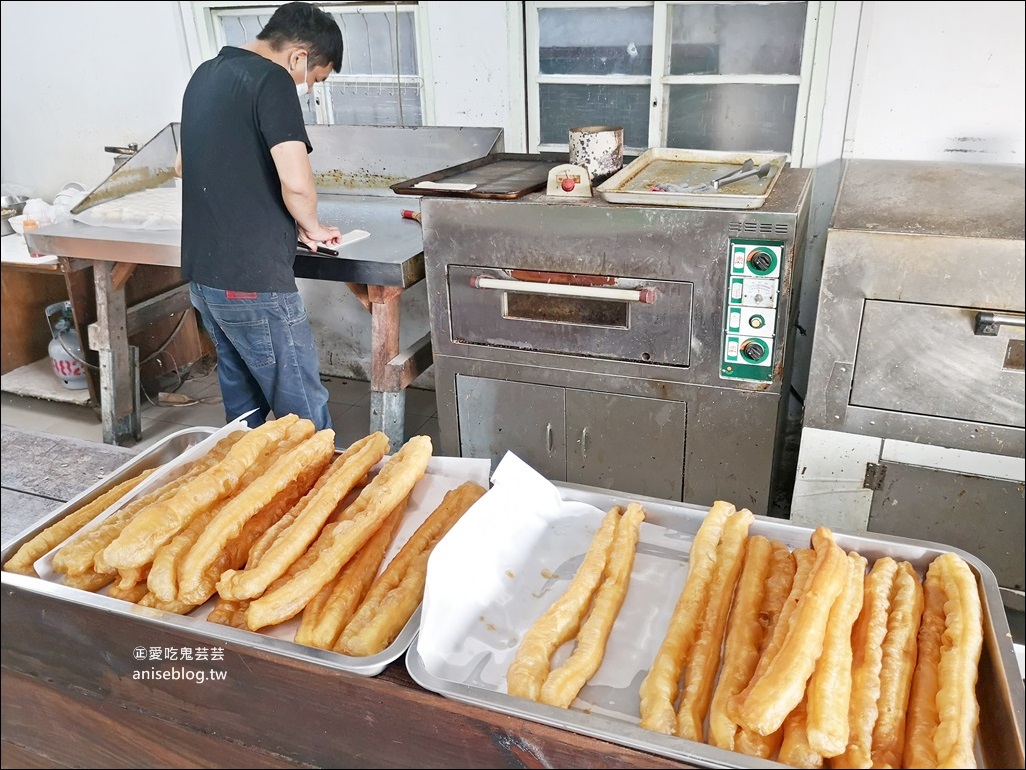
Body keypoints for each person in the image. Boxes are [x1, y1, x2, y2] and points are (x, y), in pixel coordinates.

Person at [175, 1, 344, 431]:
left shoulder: (205, 74)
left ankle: (251, 492)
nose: (308, 88)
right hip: (251, 283)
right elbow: (297, 181)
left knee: (243, 414)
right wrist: (312, 225)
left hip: (204, 276)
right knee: (301, 415)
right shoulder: (273, 80)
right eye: (314, 79)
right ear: (299, 57)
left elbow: (182, 165)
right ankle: (317, 494)